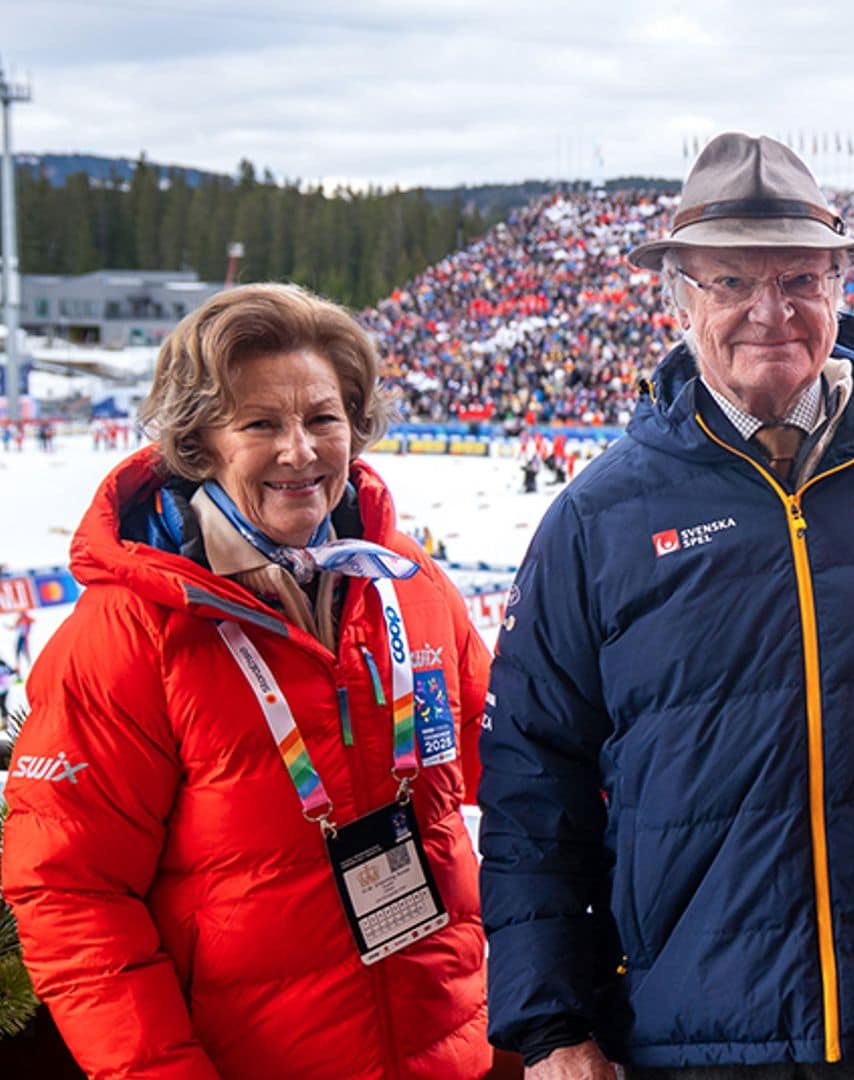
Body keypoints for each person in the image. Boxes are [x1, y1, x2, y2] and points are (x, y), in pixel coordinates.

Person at [479, 133, 854, 1079]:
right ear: (679, 297)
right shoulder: (600, 515)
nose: (771, 311)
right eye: (729, 283)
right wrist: (550, 1021)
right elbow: (530, 781)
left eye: (800, 276)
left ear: (841, 285)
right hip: (687, 1017)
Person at [1, 283, 493, 1078]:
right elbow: (71, 893)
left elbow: (517, 764)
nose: (299, 451)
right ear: (200, 443)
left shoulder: (412, 588)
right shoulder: (130, 634)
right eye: (261, 423)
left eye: (322, 419)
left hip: (448, 1054)